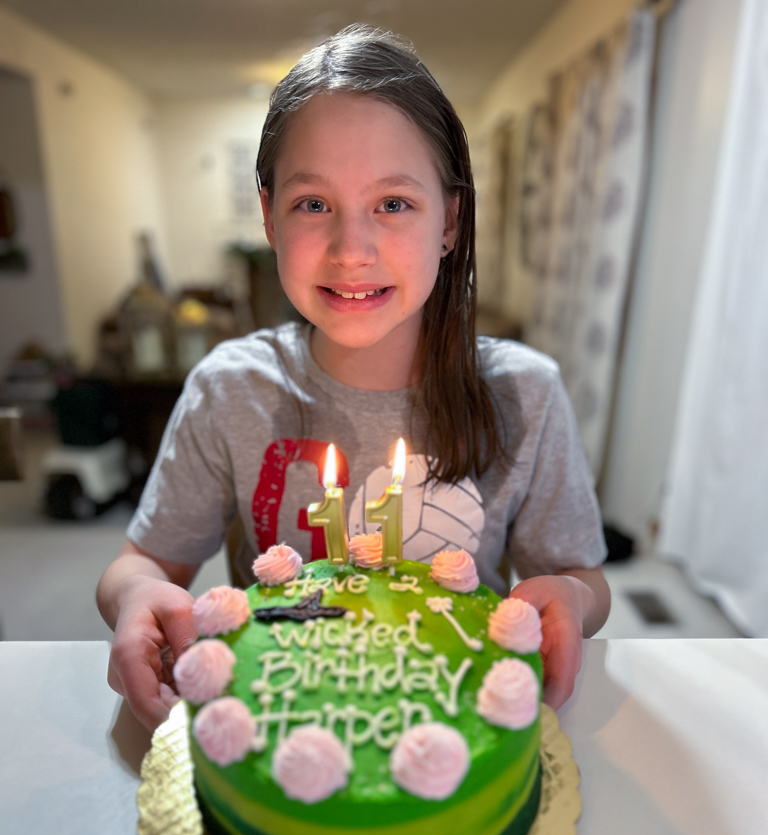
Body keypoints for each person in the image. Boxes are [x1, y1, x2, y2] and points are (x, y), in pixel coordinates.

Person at [97, 26, 610, 733]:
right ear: (271, 218)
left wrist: (574, 600)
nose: (351, 250)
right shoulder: (229, 391)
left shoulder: (526, 392)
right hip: (276, 725)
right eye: (313, 204)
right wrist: (133, 600)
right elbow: (142, 564)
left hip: (456, 723)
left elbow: (584, 582)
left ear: (450, 221)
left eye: (394, 203)